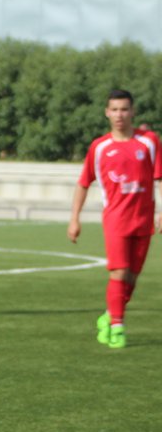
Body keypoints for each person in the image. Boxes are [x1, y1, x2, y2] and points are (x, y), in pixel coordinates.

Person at [68, 89, 162, 349]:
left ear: (133, 112)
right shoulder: (99, 147)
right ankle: (118, 328)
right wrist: (74, 219)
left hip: (143, 220)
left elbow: (159, 178)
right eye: (115, 110)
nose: (120, 115)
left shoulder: (149, 142)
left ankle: (109, 315)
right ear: (107, 113)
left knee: (131, 278)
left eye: (124, 109)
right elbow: (83, 183)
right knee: (119, 272)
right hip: (116, 220)